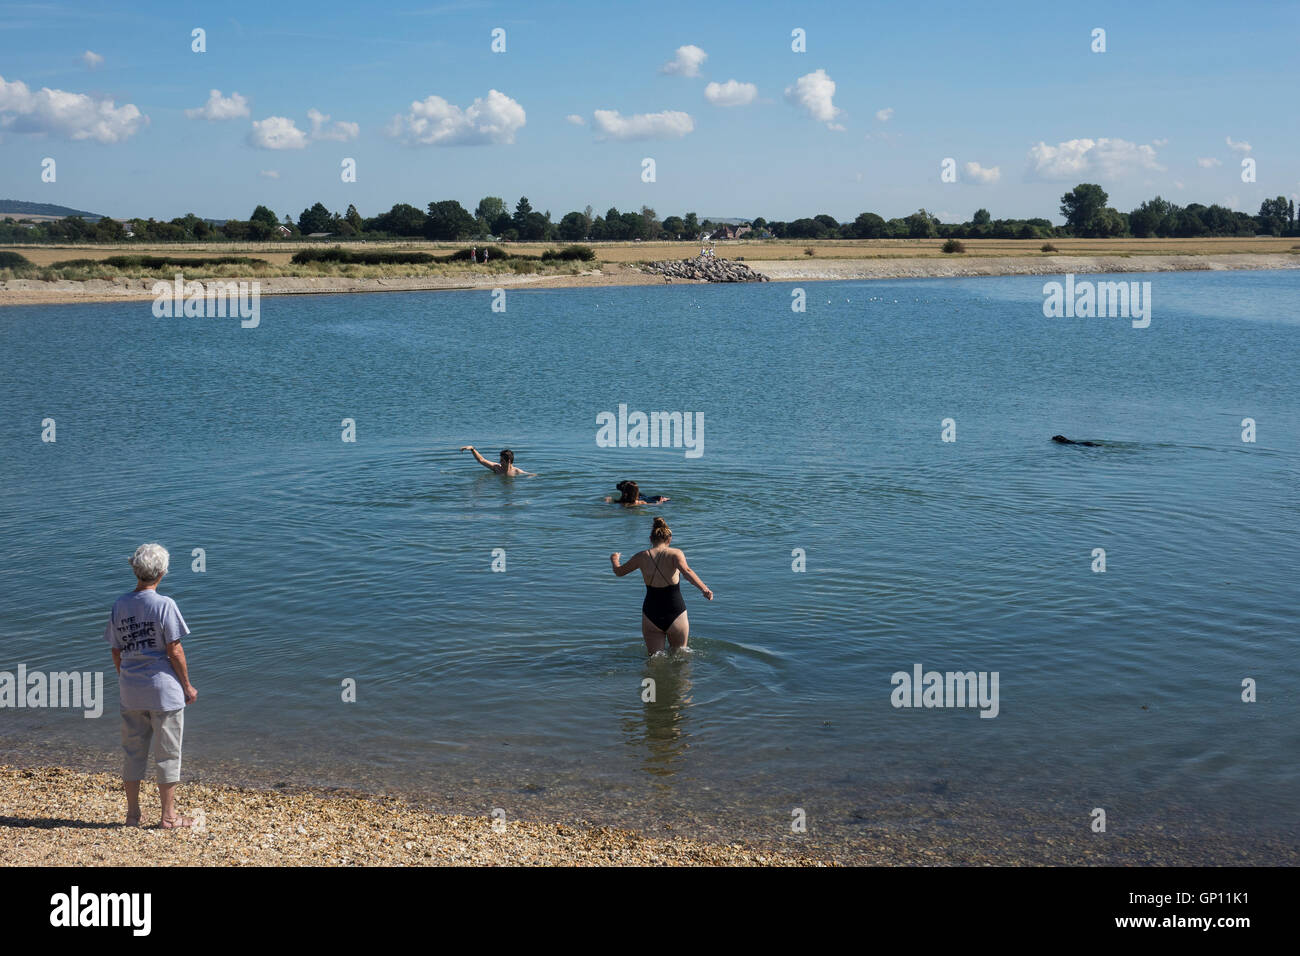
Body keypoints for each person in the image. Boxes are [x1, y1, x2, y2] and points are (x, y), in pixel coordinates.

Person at [102, 543, 198, 828]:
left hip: (130, 690)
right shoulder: (165, 605)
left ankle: (132, 816)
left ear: (135, 569)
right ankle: (168, 817)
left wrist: (125, 677)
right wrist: (188, 686)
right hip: (163, 691)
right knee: (167, 753)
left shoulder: (120, 604)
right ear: (162, 573)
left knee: (133, 752)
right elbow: (175, 650)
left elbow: (115, 650)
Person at [610, 516, 712, 654]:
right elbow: (687, 572)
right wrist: (704, 589)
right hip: (675, 612)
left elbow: (619, 572)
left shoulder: (641, 556)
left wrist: (614, 559)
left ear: (651, 539)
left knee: (654, 660)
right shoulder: (675, 554)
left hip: (651, 613)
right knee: (681, 658)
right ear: (669, 539)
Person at [460, 445, 535, 476]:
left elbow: (532, 474)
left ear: (508, 461)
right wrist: (472, 449)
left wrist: (531, 476)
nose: (500, 462)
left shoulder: (516, 471)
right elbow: (481, 460)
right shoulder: (496, 468)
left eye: (502, 460)